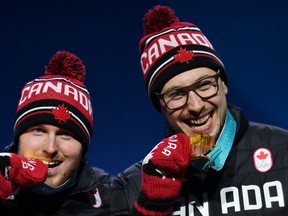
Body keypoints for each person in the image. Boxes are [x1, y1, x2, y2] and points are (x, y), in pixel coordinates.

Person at [118, 5, 288, 215]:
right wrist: (150, 208)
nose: (196, 106)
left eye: (204, 85)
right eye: (177, 94)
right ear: (160, 104)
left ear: (223, 84)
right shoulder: (136, 185)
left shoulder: (284, 151)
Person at [0, 50, 132, 215]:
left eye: (65, 134)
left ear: (82, 147)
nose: (50, 148)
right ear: (18, 138)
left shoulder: (116, 198)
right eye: (38, 131)